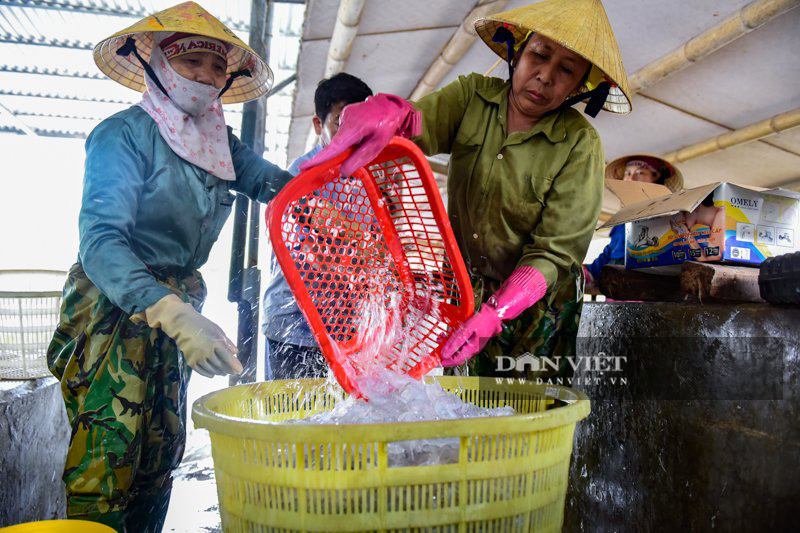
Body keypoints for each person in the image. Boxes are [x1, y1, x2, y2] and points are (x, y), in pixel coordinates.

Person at [45, 3, 293, 530]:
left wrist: (343, 172)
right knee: (108, 453)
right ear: (156, 62)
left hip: (181, 303)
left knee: (161, 449)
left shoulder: (220, 144)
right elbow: (101, 241)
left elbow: (280, 187)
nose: (205, 76)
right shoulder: (124, 134)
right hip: (116, 308)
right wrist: (174, 316)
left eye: (216, 66)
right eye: (190, 62)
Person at [301, 0, 631, 379]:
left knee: (527, 411)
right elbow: (418, 123)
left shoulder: (579, 143)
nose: (545, 76)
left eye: (567, 70)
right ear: (517, 51)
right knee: (468, 401)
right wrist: (391, 114)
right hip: (466, 292)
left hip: (539, 307)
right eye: (539, 55)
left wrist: (499, 311)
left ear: (579, 88)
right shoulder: (472, 97)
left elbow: (555, 255)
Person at [263, 73, 373, 380]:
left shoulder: (368, 179)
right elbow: (309, 255)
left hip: (346, 329)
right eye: (341, 121)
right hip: (294, 327)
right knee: (292, 418)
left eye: (362, 122)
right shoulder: (298, 176)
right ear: (317, 125)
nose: (353, 132)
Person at [585, 154, 684, 285]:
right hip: (617, 286)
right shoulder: (622, 219)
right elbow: (611, 251)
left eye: (641, 173)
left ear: (657, 178)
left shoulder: (669, 216)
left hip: (650, 286)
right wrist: (587, 272)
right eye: (627, 173)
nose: (631, 178)